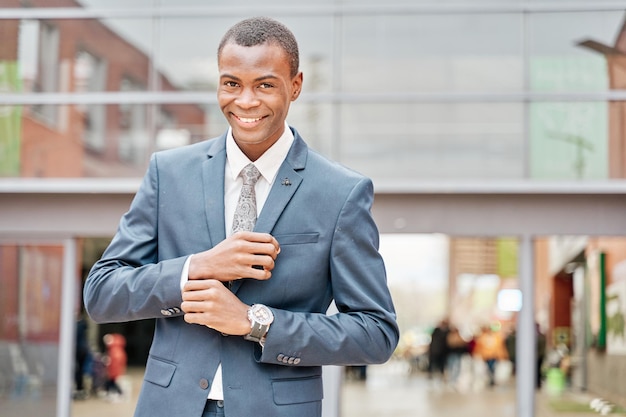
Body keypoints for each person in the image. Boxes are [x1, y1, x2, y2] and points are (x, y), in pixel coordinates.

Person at [83, 16, 399, 417]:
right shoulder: (169, 173)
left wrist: (256, 323)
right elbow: (101, 293)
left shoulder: (340, 193)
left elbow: (376, 333)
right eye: (231, 83)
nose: (245, 101)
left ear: (296, 86)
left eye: (265, 85)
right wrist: (197, 268)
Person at [102, 333, 127, 400]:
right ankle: (113, 393)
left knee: (112, 382)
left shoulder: (114, 350)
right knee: (112, 382)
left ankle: (119, 393)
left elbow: (115, 362)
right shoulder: (116, 349)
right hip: (114, 369)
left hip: (114, 370)